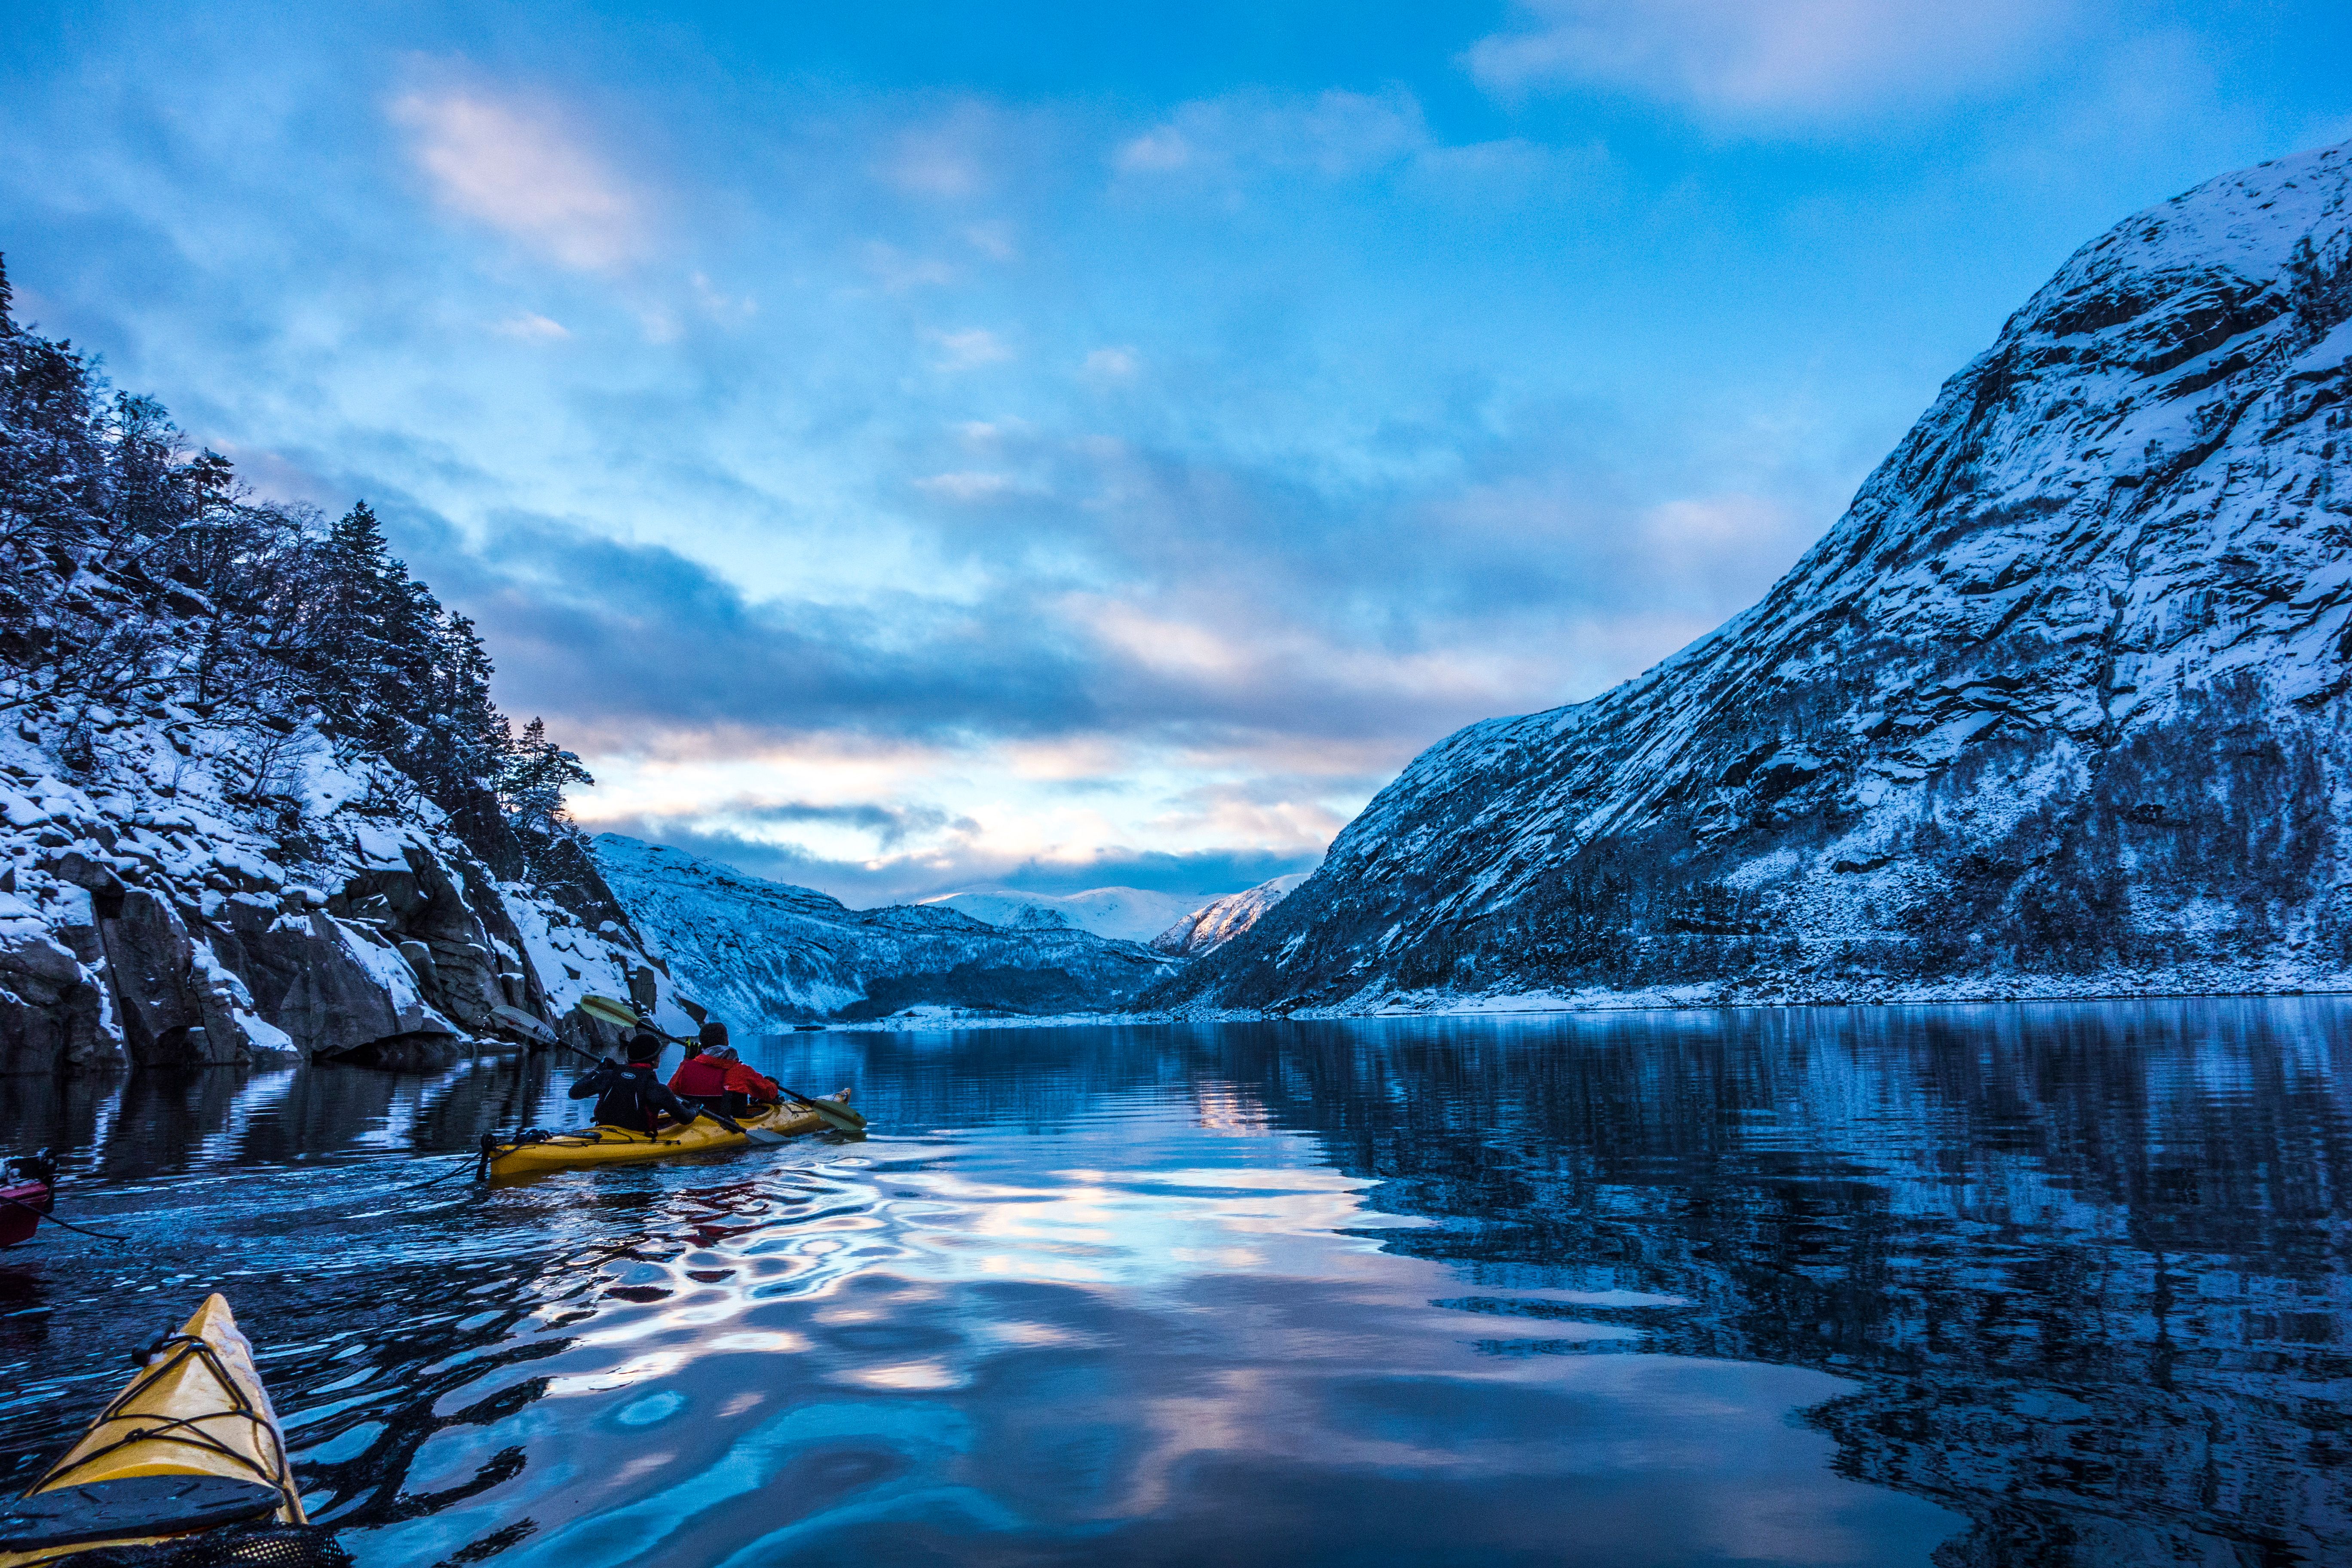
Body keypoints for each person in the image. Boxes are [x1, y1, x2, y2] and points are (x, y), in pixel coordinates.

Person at [570, 1033, 711, 1134]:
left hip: (603, 1131)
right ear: (654, 1061)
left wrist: (598, 1071)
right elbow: (686, 1119)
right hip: (638, 1143)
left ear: (628, 1057)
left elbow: (574, 1093)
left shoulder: (607, 1076)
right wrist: (694, 1108)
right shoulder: (657, 1090)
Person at [667, 1022, 734, 1112]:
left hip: (692, 1121)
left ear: (702, 1043)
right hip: (727, 1122)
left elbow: (670, 1093)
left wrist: (687, 1061)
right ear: (727, 1040)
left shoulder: (687, 1068)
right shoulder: (740, 1070)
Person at [714, 1046, 782, 1116]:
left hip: (708, 1119)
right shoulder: (740, 1071)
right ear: (727, 1040)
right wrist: (773, 1087)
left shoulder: (702, 1070)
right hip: (735, 1121)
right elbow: (769, 1093)